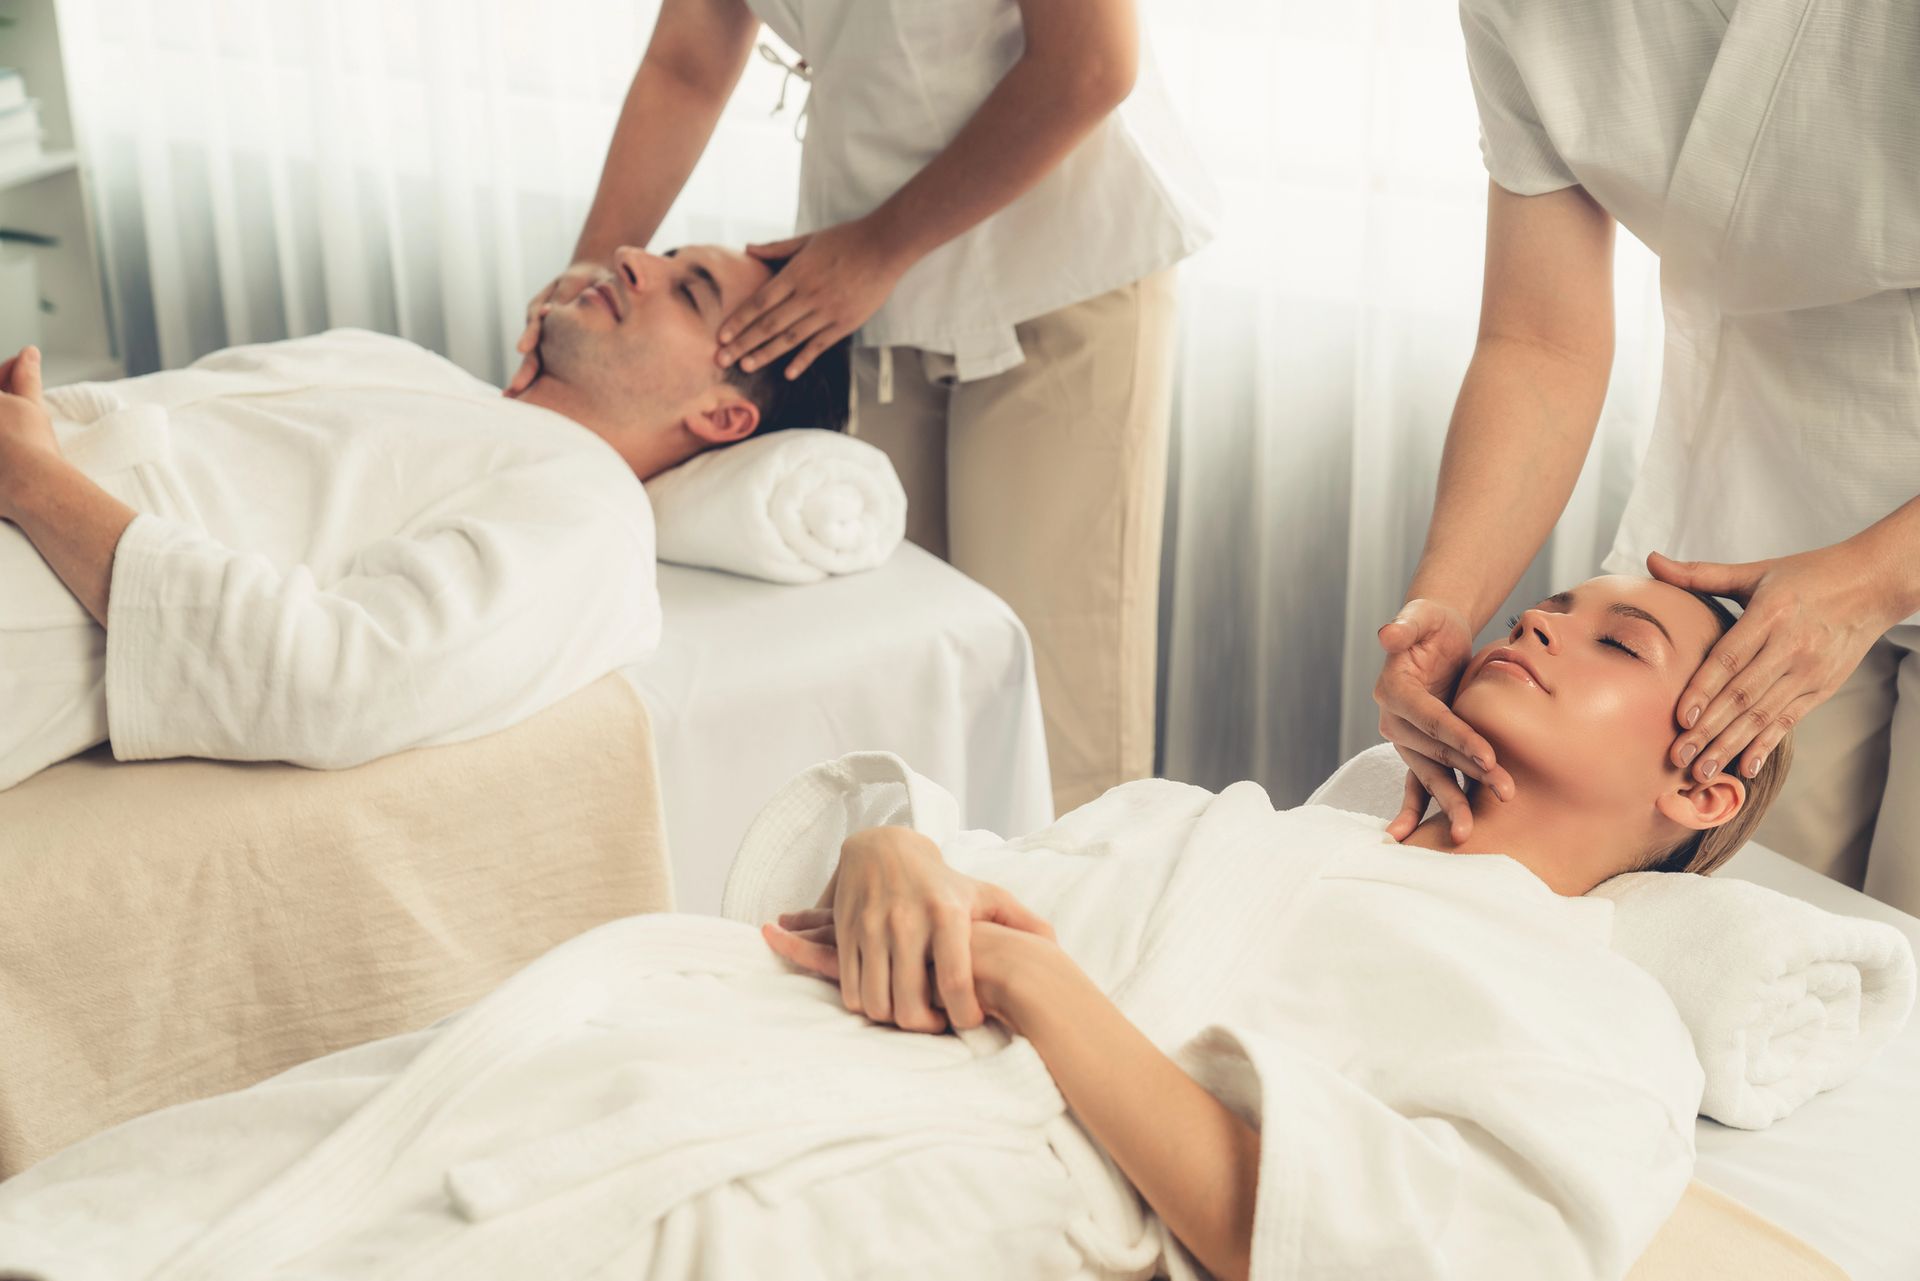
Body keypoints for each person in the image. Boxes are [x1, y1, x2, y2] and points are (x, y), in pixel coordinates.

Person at [0, 576, 1790, 1278]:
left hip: (946, 1187)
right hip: (717, 1036)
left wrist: (1031, 979)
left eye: (1614, 646)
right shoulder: (1222, 824)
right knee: (205, 1179)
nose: (1544, 625)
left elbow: (1297, 1235)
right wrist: (901, 857)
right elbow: (974, 872)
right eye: (1552, 604)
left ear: (1699, 789)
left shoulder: (1593, 1018)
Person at [513, 0, 1217, 813]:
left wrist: (883, 246)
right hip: (862, 275)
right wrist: (589, 269)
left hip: (1057, 258)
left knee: (1055, 719)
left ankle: (1063, 935)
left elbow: (1091, 66)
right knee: (902, 683)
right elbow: (688, 63)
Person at [1374, 0, 1920, 909]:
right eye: (1528, 616)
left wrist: (1872, 578)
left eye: (1619, 642)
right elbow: (1540, 344)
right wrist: (1447, 604)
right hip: (1752, 501)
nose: (1530, 626)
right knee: (1756, 922)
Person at [0, 245, 851, 792]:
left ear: (722, 415)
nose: (632, 257)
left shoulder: (592, 520)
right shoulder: (400, 362)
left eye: (688, 292)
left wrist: (35, 481)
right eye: (662, 254)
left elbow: (337, 680)